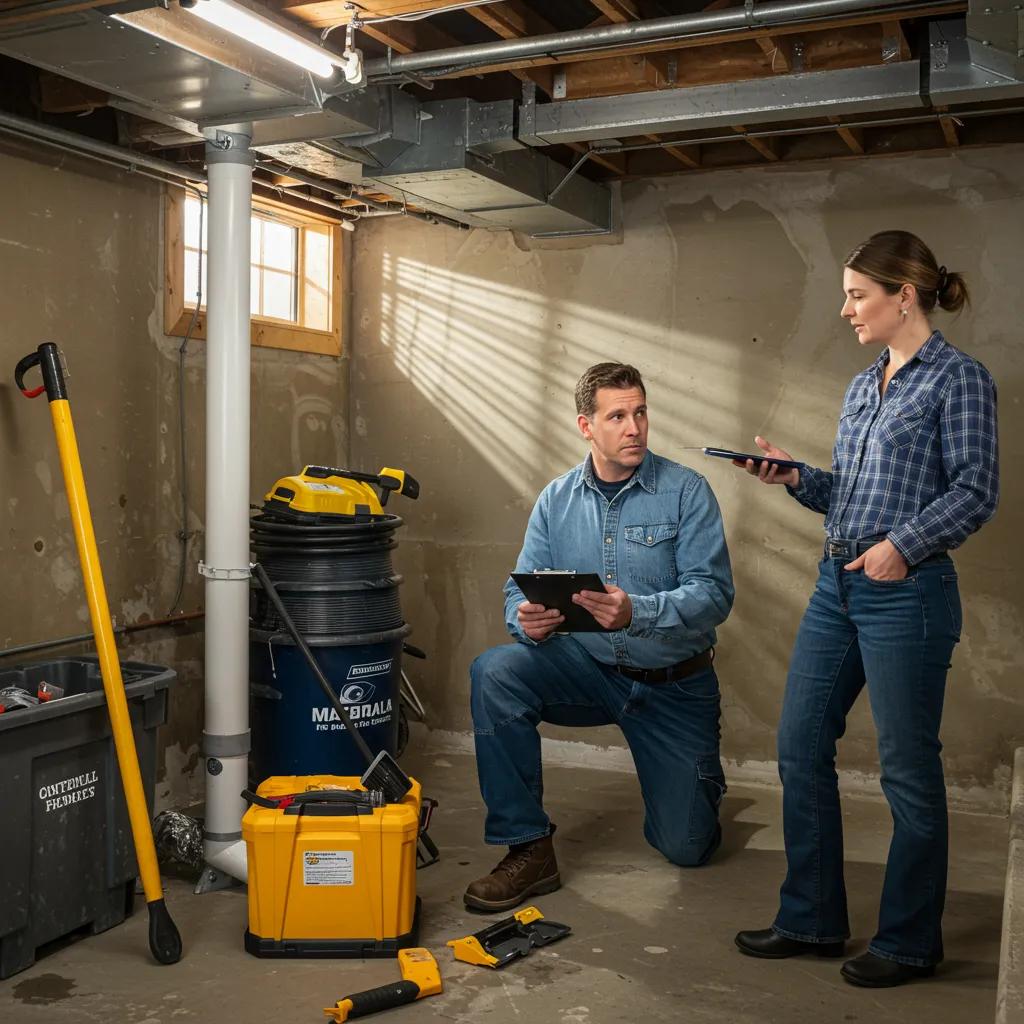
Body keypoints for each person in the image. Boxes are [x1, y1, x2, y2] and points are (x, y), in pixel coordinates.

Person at [733, 231, 999, 987]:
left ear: (902, 296)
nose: (846, 308)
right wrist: (793, 477)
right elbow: (848, 496)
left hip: (907, 595)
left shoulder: (959, 380)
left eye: (857, 294)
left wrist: (903, 547)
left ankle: (911, 941)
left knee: (907, 771)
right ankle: (812, 920)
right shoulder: (863, 384)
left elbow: (977, 490)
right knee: (799, 743)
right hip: (836, 587)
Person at [464, 361, 735, 912]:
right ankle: (528, 848)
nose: (634, 427)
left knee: (687, 847)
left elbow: (714, 595)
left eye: (640, 413)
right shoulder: (555, 500)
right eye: (617, 416)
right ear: (586, 426)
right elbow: (519, 589)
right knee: (495, 671)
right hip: (586, 672)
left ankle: (696, 781)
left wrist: (637, 610)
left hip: (672, 686)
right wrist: (526, 619)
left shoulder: (686, 492)